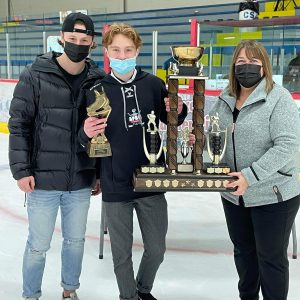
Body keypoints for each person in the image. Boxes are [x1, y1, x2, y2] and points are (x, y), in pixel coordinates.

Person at [80, 23, 187, 300]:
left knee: (156, 249)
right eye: (116, 49)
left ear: (137, 50)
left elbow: (172, 118)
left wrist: (180, 108)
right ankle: (128, 297)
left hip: (152, 179)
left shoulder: (152, 84)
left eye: (128, 50)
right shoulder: (96, 89)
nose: (122, 55)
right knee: (121, 253)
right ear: (106, 52)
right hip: (116, 184)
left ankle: (143, 289)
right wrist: (85, 135)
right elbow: (86, 137)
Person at [191, 39, 300, 300]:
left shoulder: (278, 97)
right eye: (241, 62)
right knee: (244, 253)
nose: (246, 67)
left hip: (273, 193)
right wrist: (200, 144)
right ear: (233, 66)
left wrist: (251, 177)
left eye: (253, 61)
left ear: (264, 66)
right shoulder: (225, 99)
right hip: (233, 193)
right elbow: (216, 138)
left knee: (270, 259)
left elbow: (288, 145)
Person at [8, 12, 106, 300]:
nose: (77, 44)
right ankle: (31, 295)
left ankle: (69, 291)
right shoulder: (34, 75)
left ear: (92, 44)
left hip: (80, 180)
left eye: (84, 40)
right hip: (42, 180)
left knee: (75, 242)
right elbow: (19, 125)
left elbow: (100, 132)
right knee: (38, 245)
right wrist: (21, 170)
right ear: (61, 38)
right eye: (72, 39)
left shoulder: (98, 79)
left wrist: (97, 173)